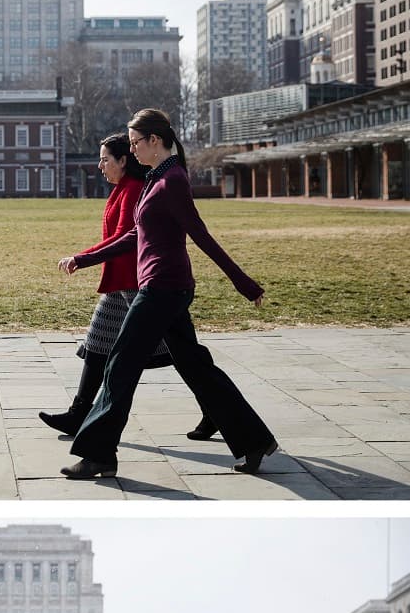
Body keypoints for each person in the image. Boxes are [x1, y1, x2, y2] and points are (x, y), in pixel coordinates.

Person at [59, 108, 278, 480]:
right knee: (196, 367)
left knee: (121, 364)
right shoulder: (157, 178)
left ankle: (98, 454)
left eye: (135, 143)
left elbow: (201, 235)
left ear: (155, 141)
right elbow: (134, 236)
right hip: (167, 288)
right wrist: (84, 258)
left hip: (163, 288)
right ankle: (254, 440)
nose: (133, 150)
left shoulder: (173, 179)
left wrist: (245, 284)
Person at [39, 133, 175, 436]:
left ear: (123, 160)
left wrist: (81, 258)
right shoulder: (121, 190)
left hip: (136, 284)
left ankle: (214, 409)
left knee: (177, 351)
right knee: (97, 342)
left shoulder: (134, 190)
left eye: (105, 159)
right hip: (118, 284)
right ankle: (78, 414)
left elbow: (125, 239)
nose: (100, 166)